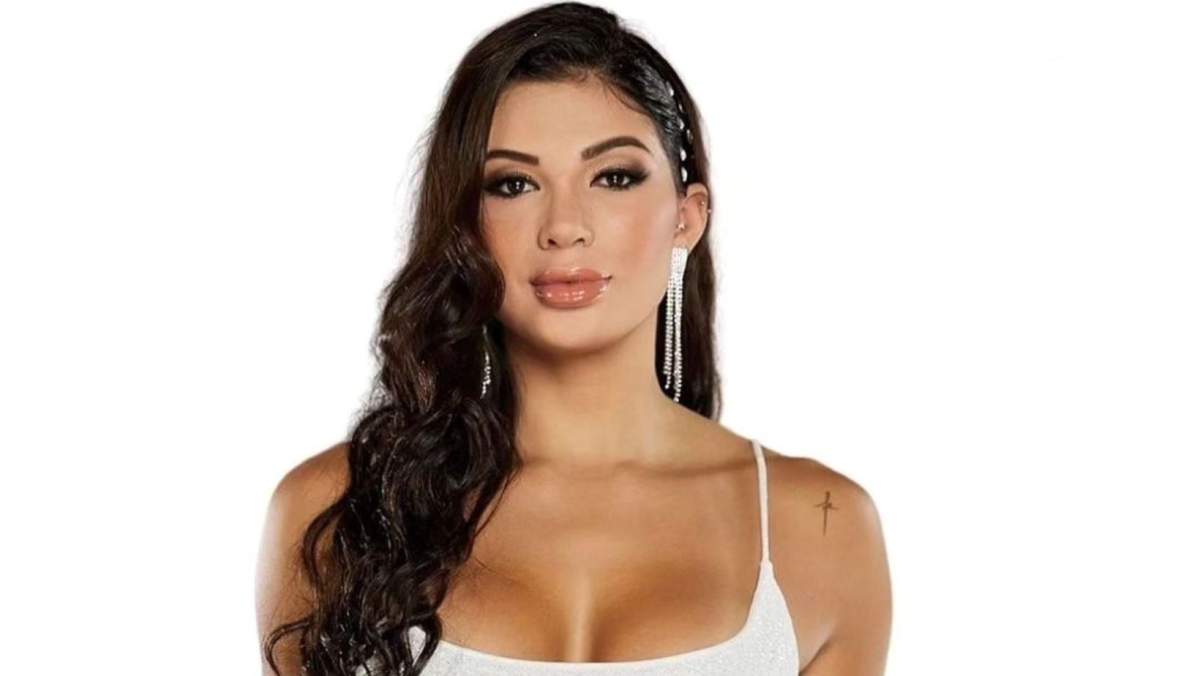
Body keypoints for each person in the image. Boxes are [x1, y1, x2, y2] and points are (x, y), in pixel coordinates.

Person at [255, 3, 891, 674]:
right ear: (466, 225)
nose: (564, 226)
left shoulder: (819, 526)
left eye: (613, 176)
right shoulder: (333, 511)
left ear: (687, 217)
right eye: (513, 184)